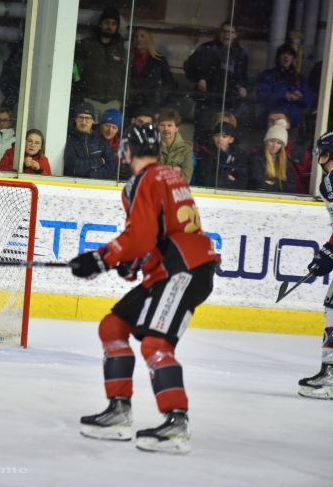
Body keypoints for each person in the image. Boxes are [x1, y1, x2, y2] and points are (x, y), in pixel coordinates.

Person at [72, 122, 219, 454]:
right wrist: (128, 262)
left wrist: (101, 259)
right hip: (175, 267)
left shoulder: (144, 179)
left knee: (155, 343)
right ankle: (119, 412)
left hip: (182, 269)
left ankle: (177, 422)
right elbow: (157, 235)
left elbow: (139, 237)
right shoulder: (169, 174)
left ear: (128, 151)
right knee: (113, 327)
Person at [299, 130, 333, 399]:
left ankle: (329, 376)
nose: (319, 158)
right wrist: (329, 251)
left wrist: (328, 256)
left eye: (321, 153)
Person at [183, 22, 250, 144]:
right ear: (219, 33)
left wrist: (243, 88)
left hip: (230, 103)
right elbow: (188, 67)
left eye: (230, 32)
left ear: (236, 35)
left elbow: (244, 77)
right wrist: (198, 79)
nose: (226, 34)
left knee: (226, 137)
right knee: (202, 136)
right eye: (224, 31)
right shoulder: (206, 49)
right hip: (207, 101)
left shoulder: (240, 54)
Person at [72, 7, 127, 122]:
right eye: (106, 22)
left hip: (113, 102)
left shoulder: (121, 51)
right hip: (89, 100)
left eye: (113, 24)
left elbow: (127, 77)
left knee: (110, 136)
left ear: (117, 27)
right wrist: (80, 96)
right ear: (100, 24)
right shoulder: (85, 45)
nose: (109, 26)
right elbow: (76, 73)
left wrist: (122, 100)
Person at [256, 44, 314, 140]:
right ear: (278, 57)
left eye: (289, 54)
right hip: (273, 123)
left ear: (293, 58)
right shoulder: (268, 75)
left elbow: (309, 100)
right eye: (283, 54)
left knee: (289, 152)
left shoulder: (299, 78)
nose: (286, 56)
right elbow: (262, 95)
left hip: (293, 125)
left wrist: (301, 97)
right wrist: (285, 96)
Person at [127, 28, 176, 115]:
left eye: (142, 36)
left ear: (148, 40)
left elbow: (169, 84)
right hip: (131, 104)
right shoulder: (128, 59)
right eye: (136, 36)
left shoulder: (158, 60)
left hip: (151, 105)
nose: (138, 39)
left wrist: (160, 105)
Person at [64, 102, 116, 179]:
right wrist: (100, 161)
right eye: (80, 117)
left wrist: (93, 174)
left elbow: (112, 168)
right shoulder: (69, 140)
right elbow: (74, 166)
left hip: (98, 186)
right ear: (75, 119)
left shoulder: (102, 142)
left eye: (87, 118)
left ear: (93, 120)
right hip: (74, 185)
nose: (84, 122)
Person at [194, 122, 248, 189]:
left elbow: (242, 182)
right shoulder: (205, 152)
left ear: (231, 139)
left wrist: (223, 182)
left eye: (224, 136)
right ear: (213, 137)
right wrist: (226, 178)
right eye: (217, 135)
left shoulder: (239, 155)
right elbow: (205, 180)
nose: (220, 139)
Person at [248, 119, 297, 193]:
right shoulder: (256, 158)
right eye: (272, 141)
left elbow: (292, 187)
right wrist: (280, 187)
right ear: (266, 141)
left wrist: (273, 182)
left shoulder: (284, 161)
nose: (274, 145)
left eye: (279, 143)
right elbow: (258, 184)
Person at [268, 110, 311, 194]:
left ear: (288, 125)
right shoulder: (258, 153)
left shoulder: (301, 154)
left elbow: (308, 183)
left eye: (279, 120)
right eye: (271, 121)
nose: (275, 124)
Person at [157, 108, 194, 183]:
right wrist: (172, 169)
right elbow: (147, 176)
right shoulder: (149, 146)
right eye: (162, 125)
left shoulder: (187, 148)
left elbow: (186, 180)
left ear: (177, 128)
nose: (165, 128)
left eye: (169, 125)